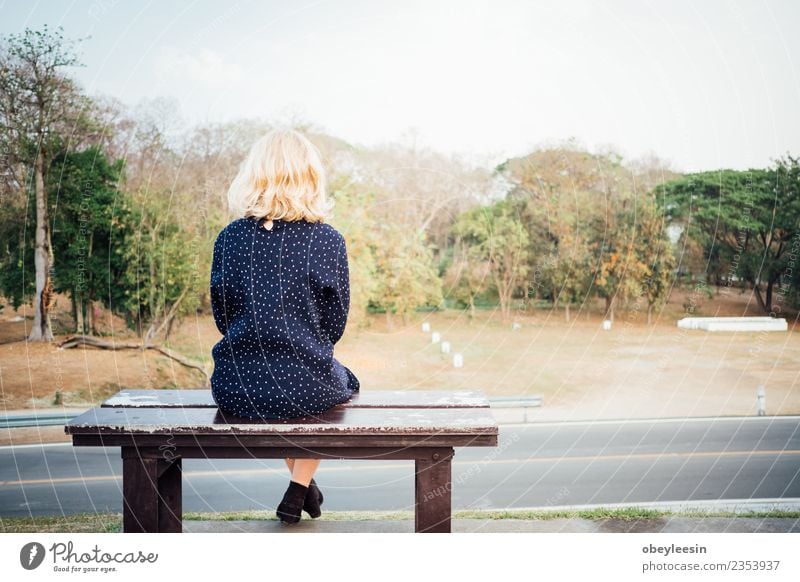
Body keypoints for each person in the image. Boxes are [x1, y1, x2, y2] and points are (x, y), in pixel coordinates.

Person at [209, 128, 360, 524]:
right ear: (310, 177)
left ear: (255, 175)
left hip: (237, 385)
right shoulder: (326, 239)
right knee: (320, 385)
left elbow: (223, 316)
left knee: (283, 383)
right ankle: (299, 488)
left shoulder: (229, 238)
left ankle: (301, 487)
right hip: (303, 383)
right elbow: (334, 324)